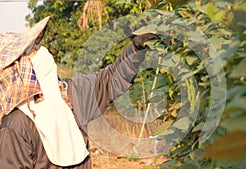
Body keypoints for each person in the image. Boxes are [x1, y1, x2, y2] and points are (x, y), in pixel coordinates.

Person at [0, 16, 159, 168]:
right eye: (32, 50)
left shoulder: (71, 95)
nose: (41, 50)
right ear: (20, 68)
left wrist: (135, 51)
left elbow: (109, 80)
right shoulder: (16, 126)